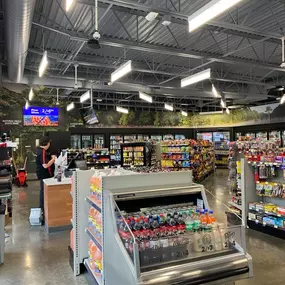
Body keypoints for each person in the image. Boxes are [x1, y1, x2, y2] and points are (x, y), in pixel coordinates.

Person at [36, 136, 56, 220]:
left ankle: (42, 208)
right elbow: (45, 165)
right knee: (44, 191)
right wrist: (53, 159)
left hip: (41, 173)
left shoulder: (38, 150)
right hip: (45, 174)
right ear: (46, 143)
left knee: (43, 190)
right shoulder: (43, 152)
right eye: (49, 143)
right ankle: (43, 209)